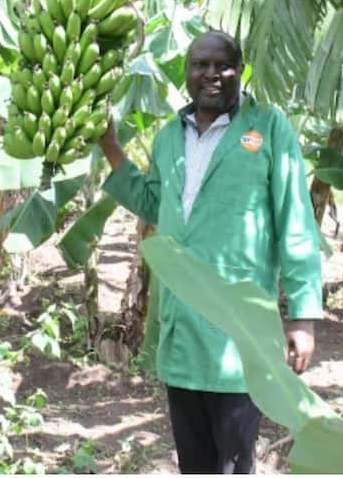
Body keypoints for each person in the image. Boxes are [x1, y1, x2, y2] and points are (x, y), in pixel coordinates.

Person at [97, 31, 323, 474]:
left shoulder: (268, 127)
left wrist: (303, 316)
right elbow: (152, 203)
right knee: (194, 462)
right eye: (200, 65)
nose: (211, 75)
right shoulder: (168, 138)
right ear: (186, 73)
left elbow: (295, 219)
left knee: (236, 462)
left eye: (223, 65)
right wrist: (110, 147)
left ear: (240, 71)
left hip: (238, 331)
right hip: (181, 327)